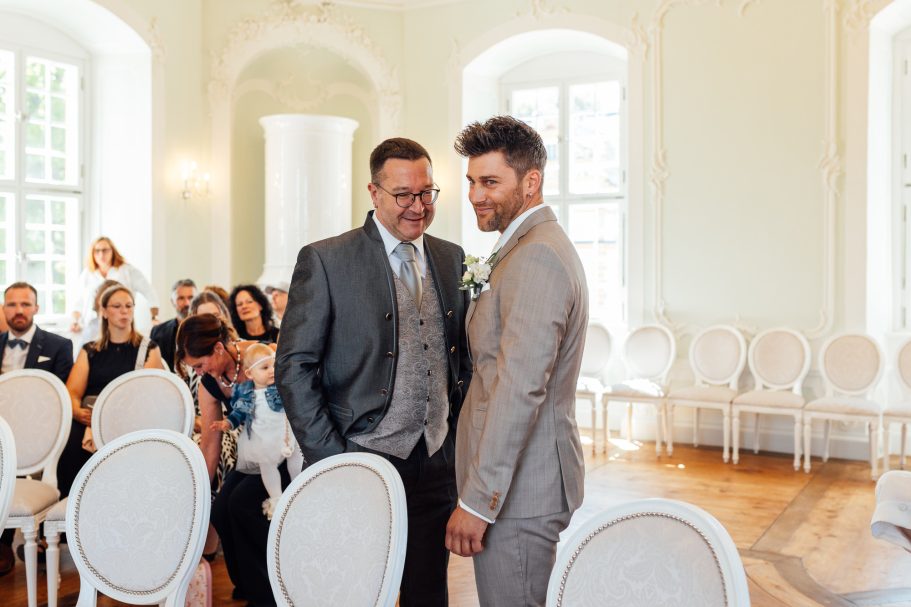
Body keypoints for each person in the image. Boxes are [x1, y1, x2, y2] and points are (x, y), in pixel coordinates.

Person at [276, 137, 472, 606]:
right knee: (358, 589)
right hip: (362, 453)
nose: (417, 206)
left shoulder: (452, 258)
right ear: (374, 192)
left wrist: (455, 441)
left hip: (436, 458)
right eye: (403, 195)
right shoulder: (327, 259)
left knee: (429, 589)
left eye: (426, 193)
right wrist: (332, 456)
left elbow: (461, 358)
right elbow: (294, 365)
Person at [445, 116, 589, 607]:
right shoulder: (523, 247)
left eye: (489, 182)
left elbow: (518, 388)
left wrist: (477, 501)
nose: (475, 196)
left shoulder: (537, 257)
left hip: (520, 492)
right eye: (471, 182)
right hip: (517, 482)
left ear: (531, 182)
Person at [175, 314, 281, 606]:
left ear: (219, 348)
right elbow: (211, 444)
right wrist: (200, 493)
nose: (199, 371)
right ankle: (247, 583)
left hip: (283, 451)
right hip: (253, 454)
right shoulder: (209, 383)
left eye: (200, 364)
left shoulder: (261, 356)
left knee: (242, 504)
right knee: (221, 508)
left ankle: (271, 589)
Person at [61, 285, 163, 498]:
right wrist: (78, 412)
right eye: (117, 306)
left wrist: (110, 417)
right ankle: (73, 507)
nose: (124, 311)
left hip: (129, 418)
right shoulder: (89, 350)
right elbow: (72, 393)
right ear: (104, 312)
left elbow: (151, 395)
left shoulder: (149, 348)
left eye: (129, 306)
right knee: (71, 443)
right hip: (90, 416)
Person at [0, 282, 74, 575]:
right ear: (4, 309)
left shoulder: (58, 345)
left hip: (39, 432)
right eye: (12, 304)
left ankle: (19, 540)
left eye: (25, 304)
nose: (19, 310)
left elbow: (60, 397)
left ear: (36, 308)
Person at [209, 343, 298, 520]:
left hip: (286, 434)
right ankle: (276, 498)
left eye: (273, 365)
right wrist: (228, 423)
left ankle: (299, 488)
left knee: (295, 461)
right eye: (265, 368)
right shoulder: (246, 393)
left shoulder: (280, 386)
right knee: (267, 467)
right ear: (250, 374)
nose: (272, 371)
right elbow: (239, 413)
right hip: (263, 440)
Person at [70, 236, 160, 332]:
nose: (101, 254)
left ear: (112, 251)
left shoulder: (127, 271)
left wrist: (154, 317)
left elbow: (149, 292)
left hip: (121, 326)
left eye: (105, 250)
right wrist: (76, 321)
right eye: (97, 251)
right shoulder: (87, 274)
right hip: (93, 327)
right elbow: (78, 302)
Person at [151, 278, 197, 370]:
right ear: (172, 301)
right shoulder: (157, 332)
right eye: (181, 298)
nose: (187, 303)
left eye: (191, 298)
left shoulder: (207, 330)